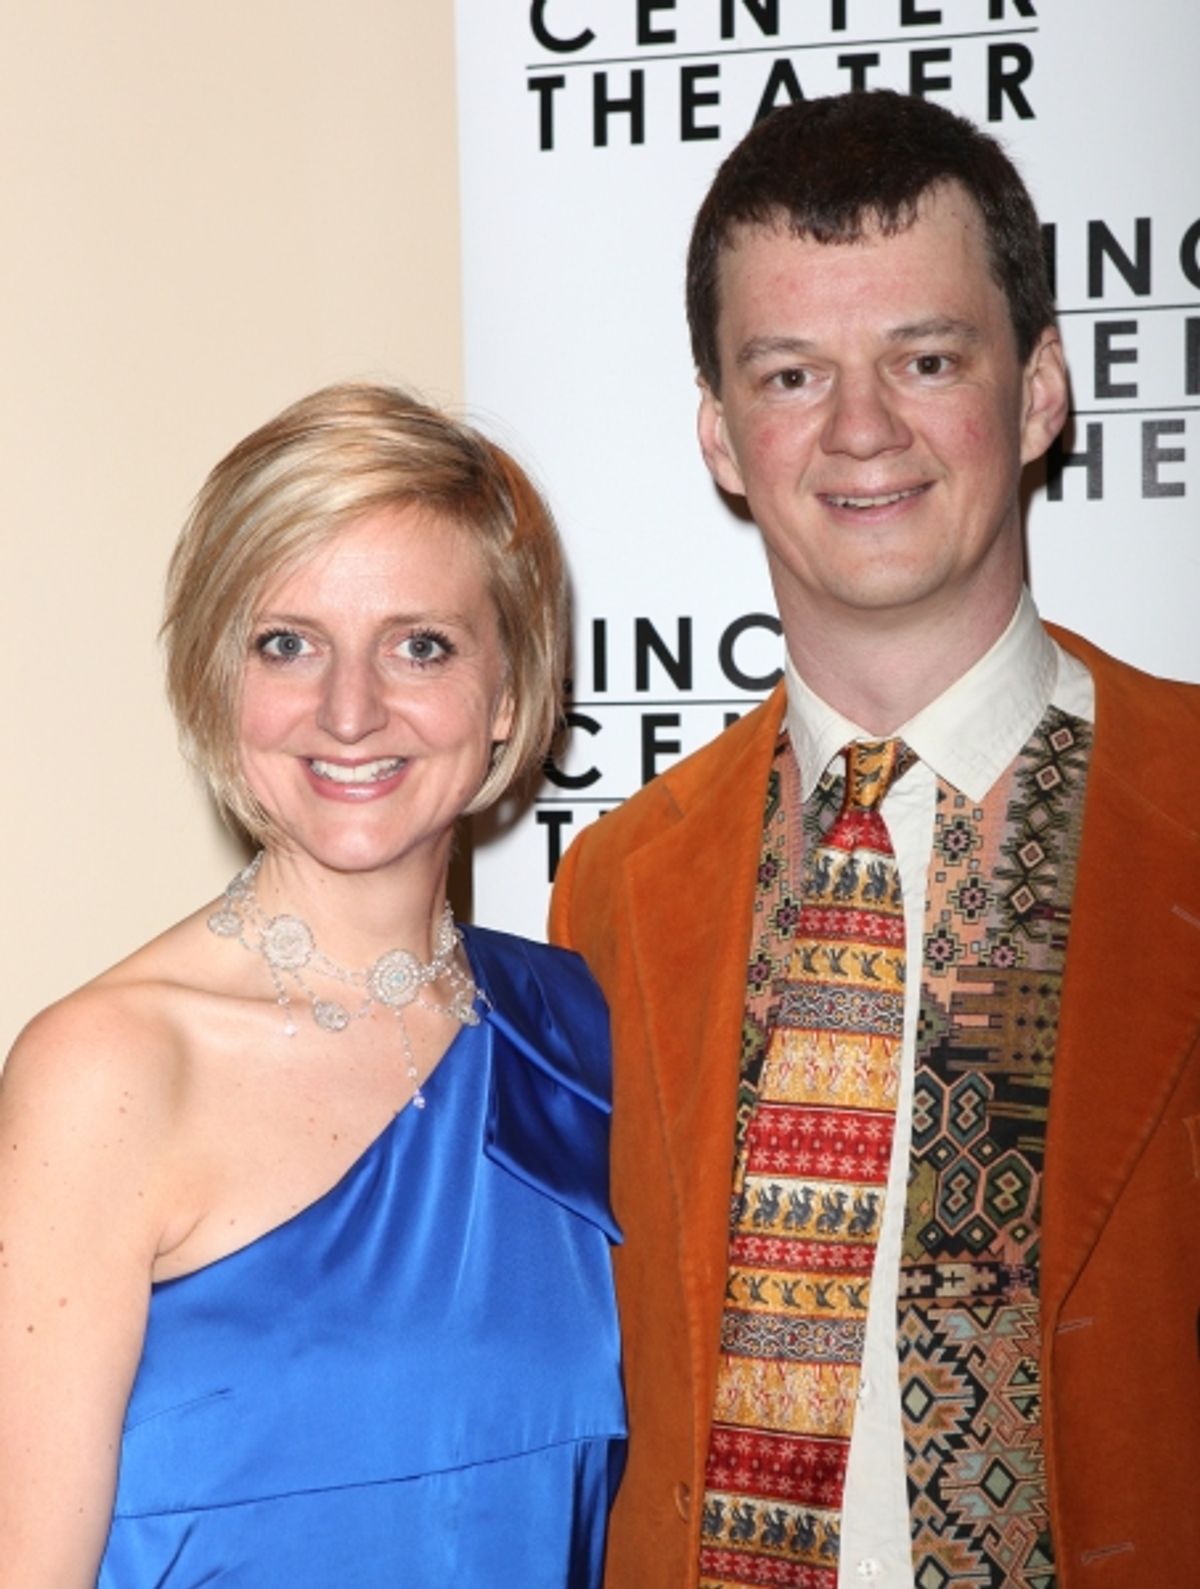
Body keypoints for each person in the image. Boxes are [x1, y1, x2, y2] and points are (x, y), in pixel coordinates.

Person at [550, 90, 1200, 1589]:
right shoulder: (612, 888)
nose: (859, 430)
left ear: (1038, 391)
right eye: (791, 374)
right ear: (721, 436)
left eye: (924, 358)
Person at [0, 383, 626, 1586]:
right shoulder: (108, 1070)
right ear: (216, 678)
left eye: (421, 644)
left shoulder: (582, 1034)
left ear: (507, 692)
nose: (350, 709)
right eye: (287, 641)